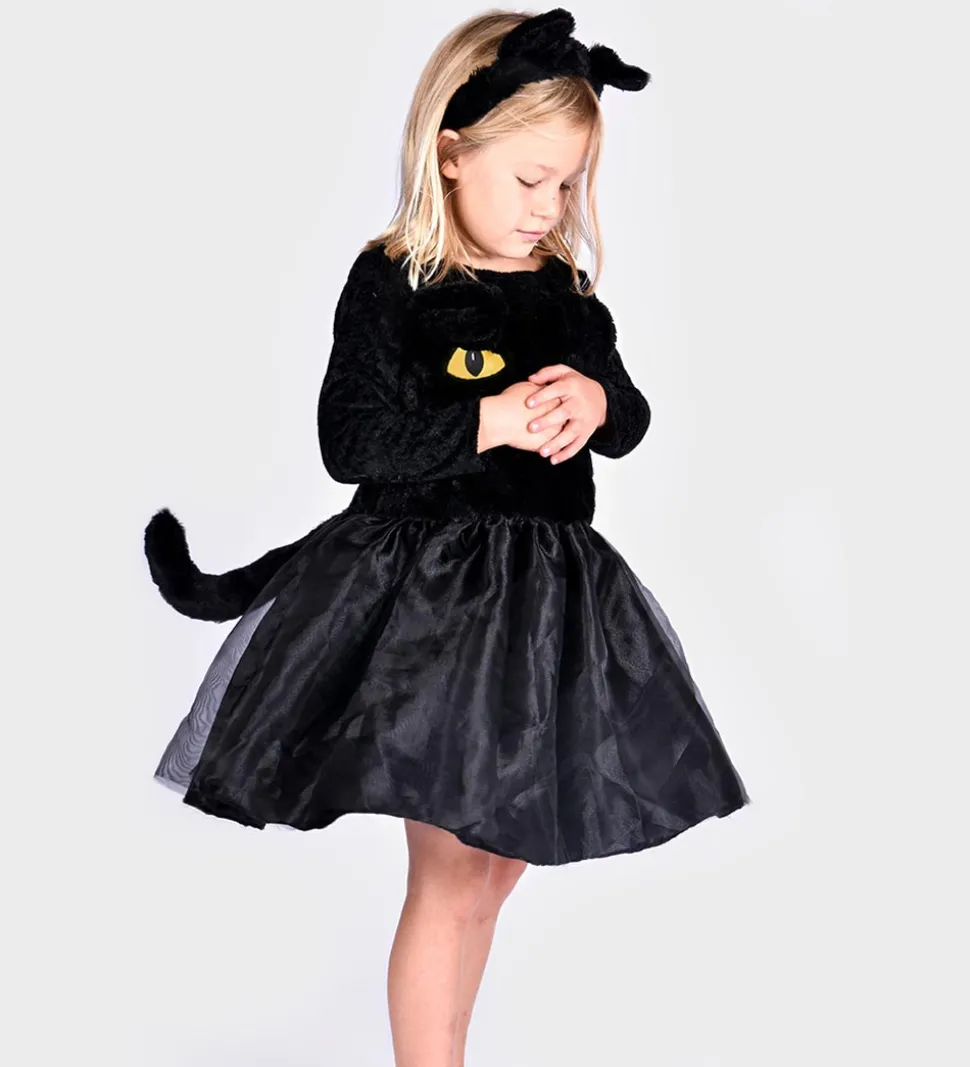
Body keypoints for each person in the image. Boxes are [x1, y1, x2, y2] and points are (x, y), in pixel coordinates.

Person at [143, 8, 751, 1065]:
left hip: (546, 602)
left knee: (496, 862)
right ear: (452, 151)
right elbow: (351, 440)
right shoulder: (397, 280)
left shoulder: (564, 293)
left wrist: (597, 402)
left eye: (568, 184)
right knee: (452, 864)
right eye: (529, 180)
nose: (548, 208)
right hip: (429, 603)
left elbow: (630, 415)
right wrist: (488, 421)